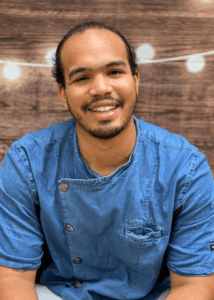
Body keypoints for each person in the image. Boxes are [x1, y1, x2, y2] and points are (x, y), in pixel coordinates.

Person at [0, 21, 214, 300]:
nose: (101, 88)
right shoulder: (26, 161)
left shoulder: (187, 168)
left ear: (135, 79)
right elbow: (13, 276)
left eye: (114, 72)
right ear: (63, 93)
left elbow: (194, 285)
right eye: (81, 78)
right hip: (59, 294)